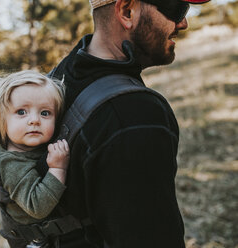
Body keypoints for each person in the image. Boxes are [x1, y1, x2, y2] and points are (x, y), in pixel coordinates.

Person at [45, 0, 211, 247]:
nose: (183, 23)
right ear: (127, 11)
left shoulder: (57, 78)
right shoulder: (136, 115)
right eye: (176, 9)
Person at [0, 70, 69, 247]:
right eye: (22, 112)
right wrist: (57, 168)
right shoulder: (12, 162)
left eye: (45, 113)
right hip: (35, 241)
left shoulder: (31, 143)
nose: (34, 120)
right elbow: (37, 206)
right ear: (1, 119)